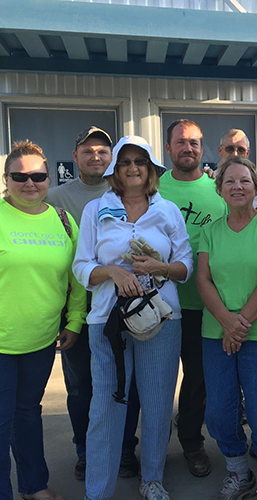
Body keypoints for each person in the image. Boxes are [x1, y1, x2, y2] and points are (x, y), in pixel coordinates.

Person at [73, 135, 193, 500]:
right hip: (107, 321)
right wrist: (112, 272)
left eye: (140, 160)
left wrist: (160, 266)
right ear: (115, 170)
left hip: (161, 320)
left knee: (157, 403)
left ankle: (152, 478)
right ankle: (99, 489)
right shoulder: (96, 209)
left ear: (152, 168)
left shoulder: (168, 210)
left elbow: (186, 266)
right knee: (105, 408)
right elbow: (81, 267)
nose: (133, 167)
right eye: (125, 161)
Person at [45, 126, 140, 481]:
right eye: (88, 151)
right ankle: (86, 451)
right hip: (73, 309)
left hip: (122, 304)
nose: (96, 156)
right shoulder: (53, 197)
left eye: (103, 151)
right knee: (82, 384)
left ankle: (125, 450)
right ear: (75, 157)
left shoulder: (126, 193)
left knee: (124, 381)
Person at [197, 156, 257, 500]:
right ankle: (239, 473)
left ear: (256, 188)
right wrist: (226, 321)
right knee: (219, 412)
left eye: (245, 181)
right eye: (230, 182)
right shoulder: (209, 230)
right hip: (216, 331)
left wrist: (239, 324)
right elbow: (203, 280)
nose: (237, 187)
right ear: (219, 190)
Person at [0, 140, 86, 500]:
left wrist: (75, 321)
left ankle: (34, 485)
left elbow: (77, 277)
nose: (29, 183)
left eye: (37, 175)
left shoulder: (63, 221)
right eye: (20, 176)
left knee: (27, 416)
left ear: (49, 178)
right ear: (6, 179)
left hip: (40, 342)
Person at [159, 119, 227, 477]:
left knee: (197, 379)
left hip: (207, 303)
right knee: (156, 379)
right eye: (181, 142)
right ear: (168, 148)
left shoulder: (219, 189)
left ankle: (191, 442)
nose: (188, 148)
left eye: (195, 142)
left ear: (203, 149)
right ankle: (149, 446)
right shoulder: (155, 188)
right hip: (162, 302)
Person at [218, 129, 257, 205]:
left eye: (241, 150)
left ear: (247, 153)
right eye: (230, 149)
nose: (235, 154)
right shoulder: (209, 182)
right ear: (220, 151)